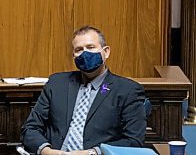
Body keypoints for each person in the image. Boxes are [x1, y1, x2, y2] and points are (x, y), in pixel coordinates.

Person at [21, 25, 146, 155]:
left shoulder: (128, 90)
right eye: (79, 50)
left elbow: (134, 140)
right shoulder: (57, 83)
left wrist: (94, 152)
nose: (85, 53)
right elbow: (30, 129)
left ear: (106, 51)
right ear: (73, 56)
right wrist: (46, 151)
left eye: (91, 47)